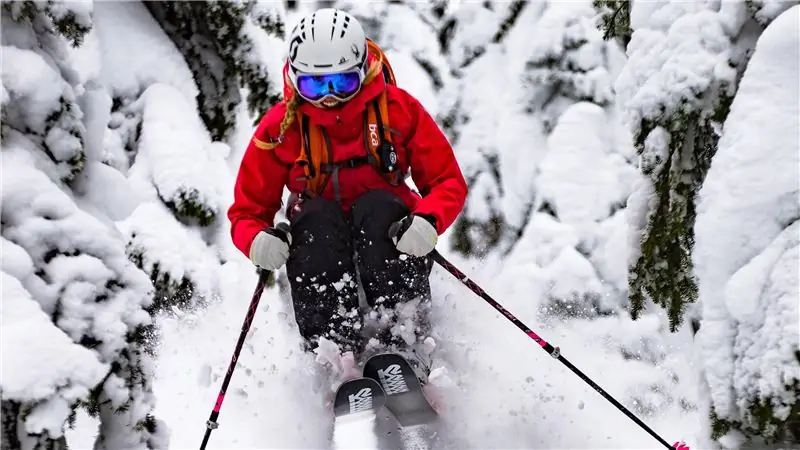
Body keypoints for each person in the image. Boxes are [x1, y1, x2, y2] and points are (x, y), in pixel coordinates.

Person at [228, 8, 467, 383]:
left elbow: (446, 180)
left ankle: (404, 345)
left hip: (387, 238)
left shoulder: (397, 111)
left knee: (378, 206)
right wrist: (258, 240)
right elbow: (247, 209)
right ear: (295, 79)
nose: (328, 97)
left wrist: (428, 220)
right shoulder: (282, 127)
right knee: (313, 219)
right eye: (314, 86)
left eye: (342, 82)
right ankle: (334, 359)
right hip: (319, 247)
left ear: (362, 70)